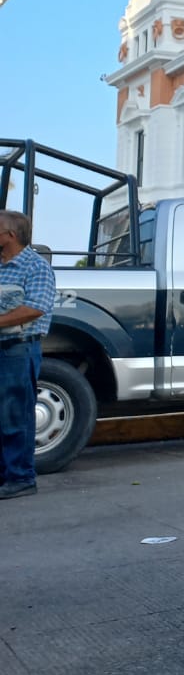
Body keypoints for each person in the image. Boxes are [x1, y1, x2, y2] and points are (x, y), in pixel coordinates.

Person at [0, 210, 57, 499]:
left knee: (15, 415)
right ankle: (5, 476)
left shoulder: (35, 266)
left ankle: (21, 478)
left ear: (10, 235)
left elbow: (35, 307)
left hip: (18, 349)